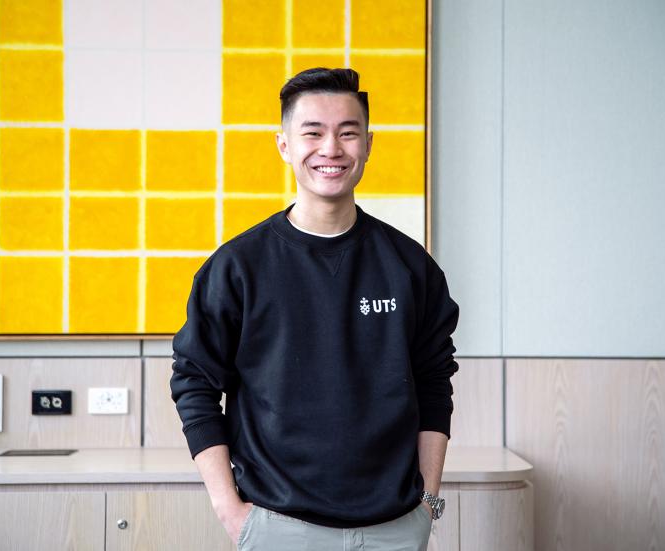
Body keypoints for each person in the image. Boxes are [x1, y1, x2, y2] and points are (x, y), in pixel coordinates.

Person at [170, 67, 459, 550]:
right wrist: (231, 511)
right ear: (284, 144)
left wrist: (428, 503)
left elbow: (435, 383)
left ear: (369, 143)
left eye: (348, 133)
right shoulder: (238, 267)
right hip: (277, 527)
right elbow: (194, 382)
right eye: (313, 133)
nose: (331, 149)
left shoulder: (410, 267)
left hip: (396, 528)